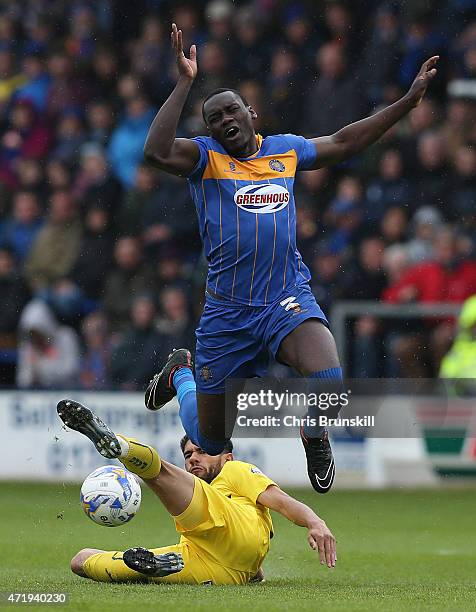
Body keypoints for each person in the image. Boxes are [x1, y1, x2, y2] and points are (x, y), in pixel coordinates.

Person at [142, 23, 438, 493]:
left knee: (329, 378)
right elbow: (156, 151)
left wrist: (406, 103)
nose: (224, 121)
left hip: (285, 298)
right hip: (228, 313)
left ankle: (314, 432)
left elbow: (344, 141)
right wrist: (183, 83)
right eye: (214, 118)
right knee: (210, 440)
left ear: (250, 112)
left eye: (231, 111)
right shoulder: (204, 158)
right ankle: (182, 373)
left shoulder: (286, 151)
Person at [57, 398, 337, 585]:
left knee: (160, 475)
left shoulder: (235, 471)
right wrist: (255, 574)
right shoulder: (198, 497)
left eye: (202, 451)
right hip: (221, 570)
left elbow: (283, 503)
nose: (193, 458)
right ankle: (143, 564)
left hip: (230, 529)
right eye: (189, 453)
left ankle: (120, 446)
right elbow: (250, 557)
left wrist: (315, 521)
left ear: (227, 456)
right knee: (80, 562)